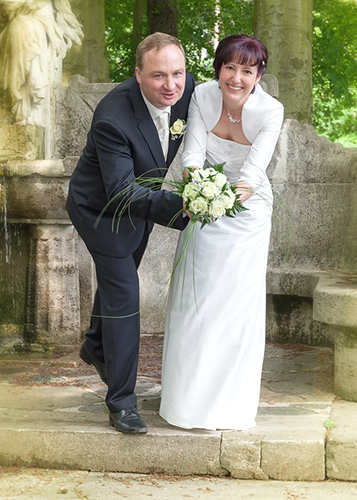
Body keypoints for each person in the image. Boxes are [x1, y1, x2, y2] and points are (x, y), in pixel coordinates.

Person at [66, 32, 195, 434]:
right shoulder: (112, 118)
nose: (171, 85)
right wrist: (190, 209)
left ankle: (95, 344)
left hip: (141, 203)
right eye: (159, 76)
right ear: (138, 75)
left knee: (117, 278)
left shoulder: (186, 90)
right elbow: (122, 192)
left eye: (178, 73)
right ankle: (121, 403)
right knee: (124, 293)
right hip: (101, 209)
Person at [159, 35, 284, 431]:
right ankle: (185, 403)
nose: (236, 78)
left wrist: (221, 201)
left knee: (233, 305)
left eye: (247, 71)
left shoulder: (271, 111)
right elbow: (193, 152)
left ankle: (229, 405)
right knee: (196, 299)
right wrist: (199, 192)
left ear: (258, 75)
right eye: (229, 67)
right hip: (203, 203)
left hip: (246, 211)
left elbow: (251, 175)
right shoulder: (203, 96)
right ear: (218, 68)